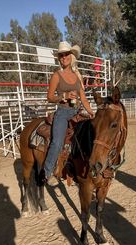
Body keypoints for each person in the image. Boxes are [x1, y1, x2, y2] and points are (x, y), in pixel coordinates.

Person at [41, 41, 94, 185]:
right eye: (61, 55)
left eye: (66, 54)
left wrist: (90, 111)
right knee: (57, 143)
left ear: (71, 56)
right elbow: (50, 97)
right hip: (63, 112)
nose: (64, 57)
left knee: (90, 137)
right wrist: (64, 96)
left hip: (77, 111)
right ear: (59, 58)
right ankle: (46, 173)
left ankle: (85, 169)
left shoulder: (77, 76)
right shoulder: (57, 75)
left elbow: (82, 97)